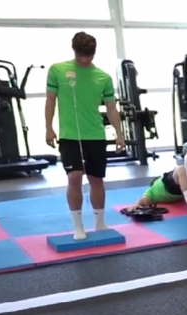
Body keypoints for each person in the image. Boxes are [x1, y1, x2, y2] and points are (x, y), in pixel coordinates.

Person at [45, 32, 125, 241]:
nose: (84, 60)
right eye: (80, 55)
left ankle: (99, 222)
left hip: (95, 135)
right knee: (74, 177)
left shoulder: (103, 77)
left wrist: (119, 134)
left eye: (88, 56)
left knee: (96, 179)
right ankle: (78, 225)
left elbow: (111, 107)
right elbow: (50, 100)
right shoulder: (57, 70)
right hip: (69, 135)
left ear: (94, 53)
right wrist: (48, 128)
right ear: (74, 51)